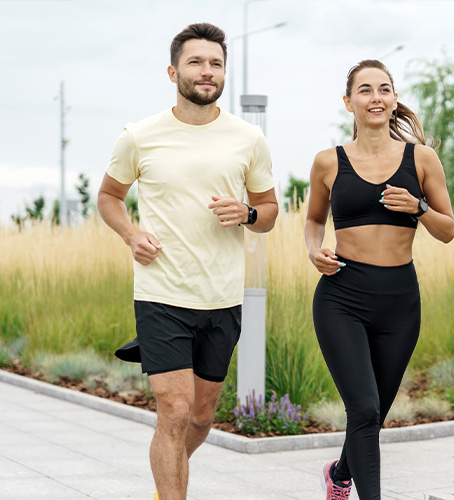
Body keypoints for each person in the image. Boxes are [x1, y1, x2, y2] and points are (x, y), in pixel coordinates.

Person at [96, 22, 278, 500]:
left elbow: (269, 212)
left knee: (200, 416)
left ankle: (165, 485)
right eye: (196, 62)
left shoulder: (248, 138)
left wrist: (247, 212)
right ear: (173, 71)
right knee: (174, 411)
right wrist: (131, 234)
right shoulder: (139, 135)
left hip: (222, 297)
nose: (207, 71)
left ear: (224, 73)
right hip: (161, 294)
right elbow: (109, 196)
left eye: (216, 63)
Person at [304, 59, 454, 500]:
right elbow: (314, 220)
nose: (376, 97)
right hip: (342, 297)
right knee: (365, 409)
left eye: (384, 89)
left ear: (394, 98)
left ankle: (339, 474)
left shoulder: (421, 159)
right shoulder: (327, 162)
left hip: (399, 302)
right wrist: (314, 250)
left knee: (372, 415)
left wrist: (419, 208)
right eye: (365, 90)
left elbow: (448, 230)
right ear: (348, 101)